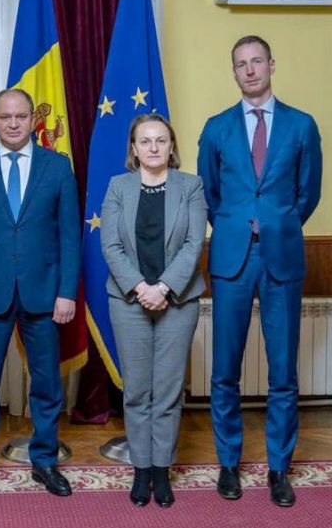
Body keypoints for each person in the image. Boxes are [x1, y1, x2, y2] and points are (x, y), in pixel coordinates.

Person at [197, 35, 323, 507]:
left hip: (282, 256)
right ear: (233, 72)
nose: (249, 70)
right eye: (240, 64)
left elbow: (308, 193)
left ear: (271, 65)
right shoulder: (216, 128)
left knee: (283, 371)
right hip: (231, 257)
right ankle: (228, 464)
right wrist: (235, 226)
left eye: (256, 62)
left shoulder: (301, 125)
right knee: (224, 370)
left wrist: (277, 224)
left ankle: (278, 468)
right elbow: (209, 193)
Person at [0, 88, 81, 497]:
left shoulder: (57, 167)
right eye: (5, 117)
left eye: (21, 116)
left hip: (44, 293)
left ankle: (45, 462)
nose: (13, 123)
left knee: (46, 384)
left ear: (31, 120)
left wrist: (66, 292)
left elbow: (70, 237)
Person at [100, 114, 207, 508]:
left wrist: (163, 288)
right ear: (134, 148)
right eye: (145, 141)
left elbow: (194, 243)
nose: (154, 147)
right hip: (128, 301)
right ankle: (141, 469)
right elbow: (110, 245)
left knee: (167, 392)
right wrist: (140, 288)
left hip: (177, 302)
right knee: (137, 391)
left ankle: (161, 470)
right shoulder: (118, 187)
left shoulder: (191, 186)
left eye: (161, 140)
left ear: (172, 145)